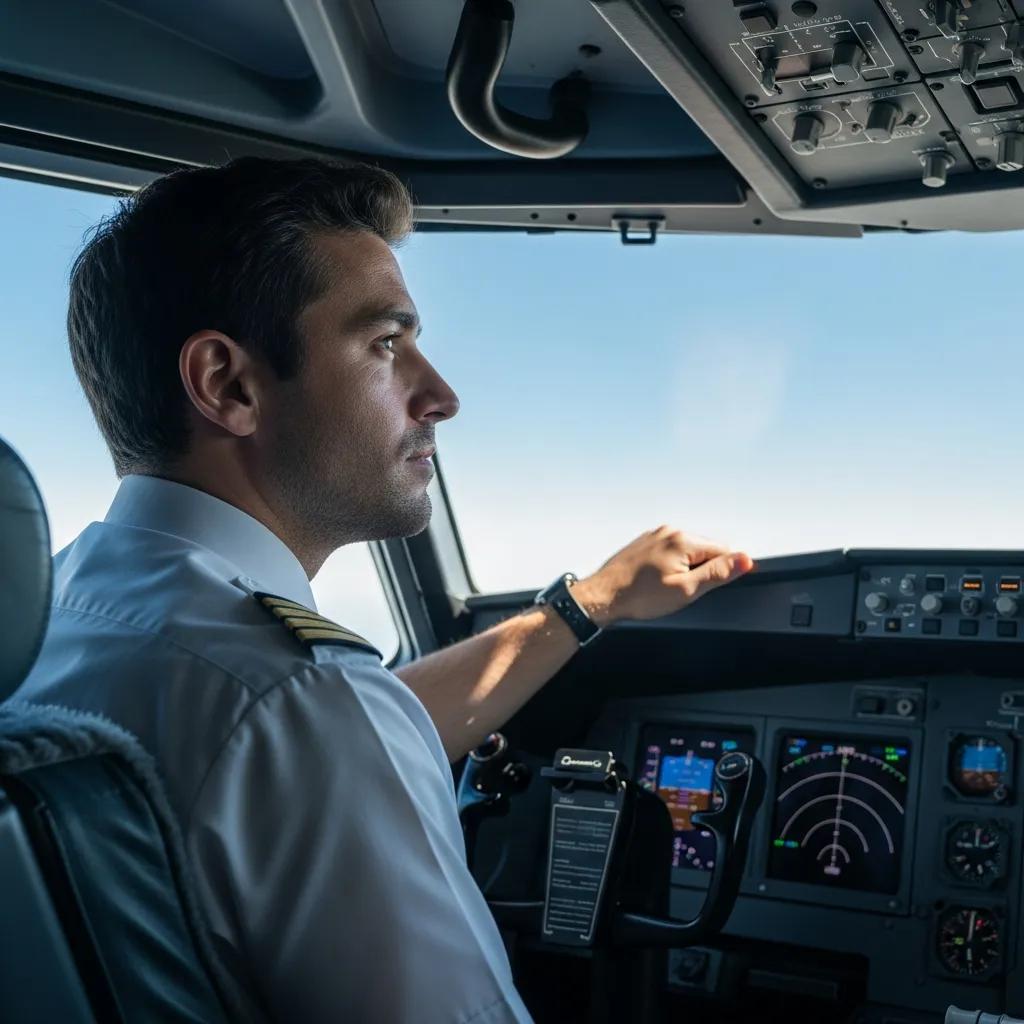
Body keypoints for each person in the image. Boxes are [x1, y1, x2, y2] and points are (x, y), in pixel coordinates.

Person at [19, 157, 753, 1023]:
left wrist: (583, 606)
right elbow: (314, 726)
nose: (439, 395)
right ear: (230, 384)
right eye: (385, 343)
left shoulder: (65, 612)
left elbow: (297, 742)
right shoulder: (299, 706)